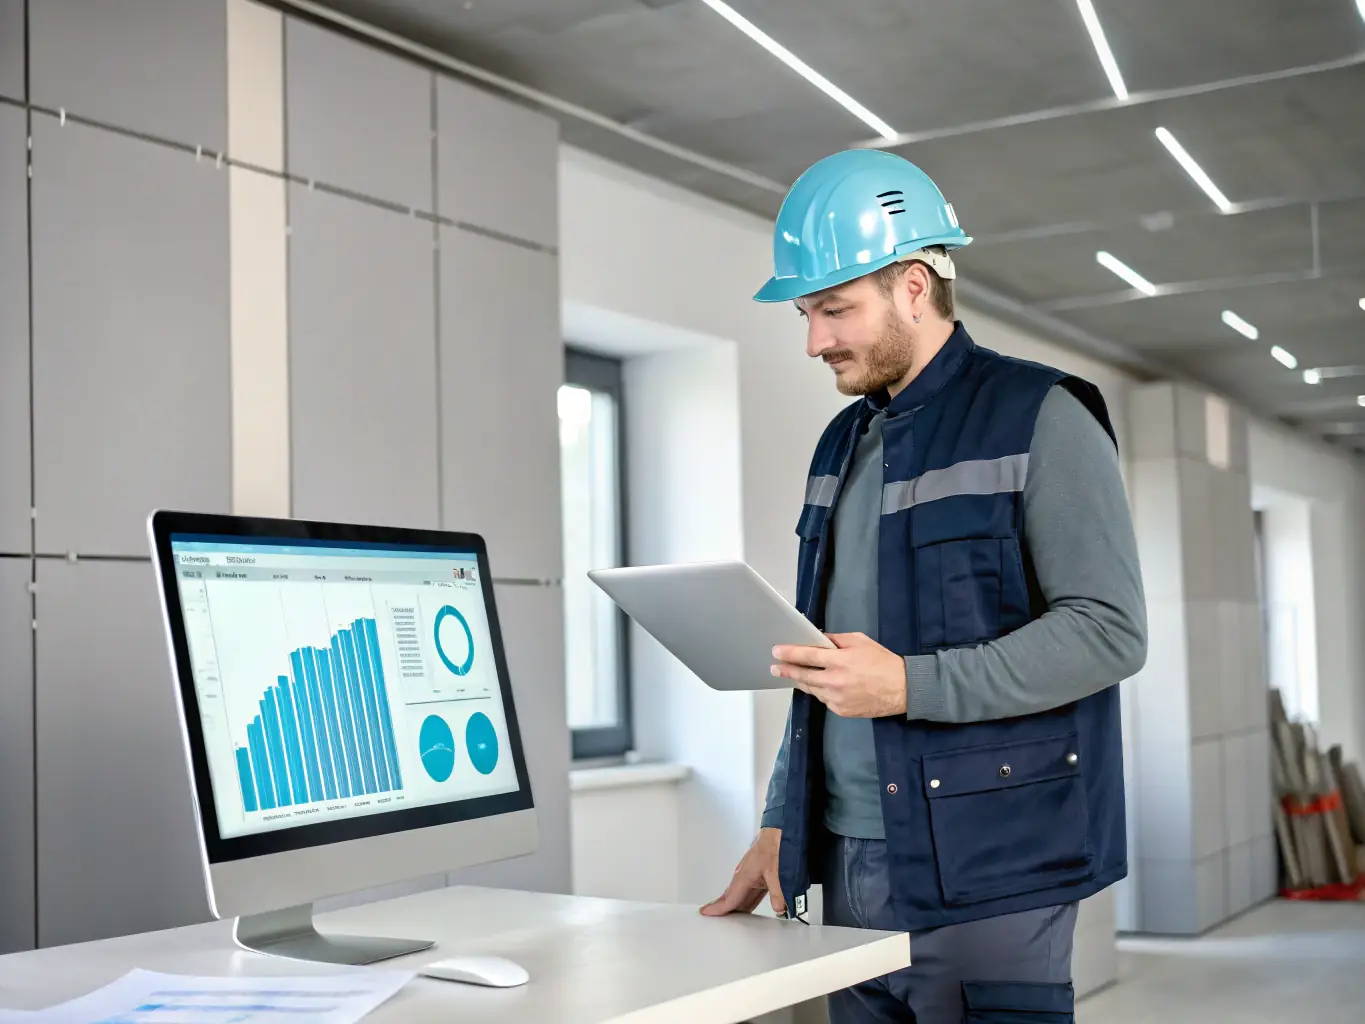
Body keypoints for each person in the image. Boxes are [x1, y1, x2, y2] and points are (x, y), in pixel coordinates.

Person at [700, 149, 1147, 1024]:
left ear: (913, 285)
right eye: (806, 311)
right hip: (849, 856)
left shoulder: (1042, 415)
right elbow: (827, 664)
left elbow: (1107, 631)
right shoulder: (840, 443)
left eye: (834, 309)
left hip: (993, 863)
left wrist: (911, 683)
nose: (814, 339)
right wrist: (779, 821)